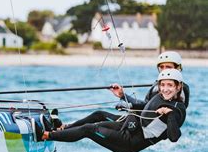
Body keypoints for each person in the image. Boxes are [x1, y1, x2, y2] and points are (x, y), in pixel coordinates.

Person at [33, 69, 186, 152]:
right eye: (163, 85)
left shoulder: (177, 109)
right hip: (127, 127)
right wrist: (123, 98)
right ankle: (61, 129)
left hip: (128, 142)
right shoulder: (160, 96)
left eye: (170, 85)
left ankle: (45, 135)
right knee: (98, 117)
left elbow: (174, 137)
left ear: (178, 87)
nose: (166, 88)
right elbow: (144, 108)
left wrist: (169, 114)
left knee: (89, 129)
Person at [57, 51, 190, 130]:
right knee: (99, 114)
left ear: (178, 68)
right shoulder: (158, 85)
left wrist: (129, 104)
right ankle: (65, 127)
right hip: (137, 118)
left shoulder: (178, 89)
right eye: (162, 67)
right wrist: (122, 95)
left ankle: (58, 132)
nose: (165, 70)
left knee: (93, 126)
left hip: (141, 127)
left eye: (169, 67)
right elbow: (146, 105)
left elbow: (157, 109)